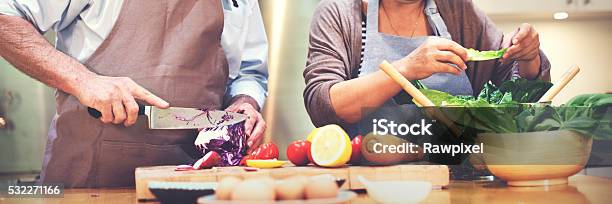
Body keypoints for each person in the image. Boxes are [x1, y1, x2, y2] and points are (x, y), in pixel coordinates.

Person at [0, 0, 268, 187]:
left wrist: (245, 100)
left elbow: (249, 71)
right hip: (92, 180)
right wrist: (83, 80)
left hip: (198, 180)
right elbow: (5, 16)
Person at [304, 0, 550, 129]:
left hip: (459, 177)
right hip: (368, 181)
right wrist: (406, 68)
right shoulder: (339, 13)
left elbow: (512, 91)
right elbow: (323, 105)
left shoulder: (458, 10)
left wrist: (528, 57)